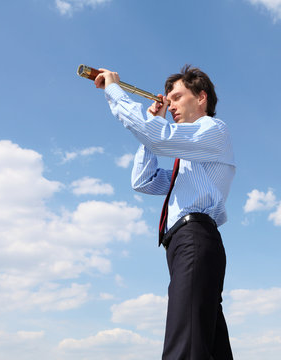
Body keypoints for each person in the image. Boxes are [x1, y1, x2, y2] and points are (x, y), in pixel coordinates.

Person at [95, 65, 235, 360]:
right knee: (207, 345)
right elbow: (143, 181)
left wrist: (114, 90)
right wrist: (151, 124)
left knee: (185, 347)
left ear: (201, 98)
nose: (170, 104)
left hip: (195, 238)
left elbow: (160, 138)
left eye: (177, 97)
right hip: (185, 244)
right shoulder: (189, 156)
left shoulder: (213, 130)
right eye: (168, 99)